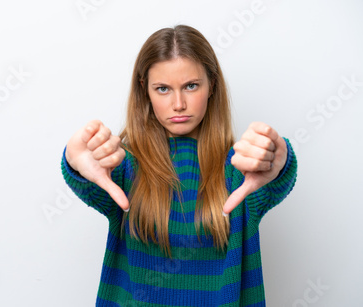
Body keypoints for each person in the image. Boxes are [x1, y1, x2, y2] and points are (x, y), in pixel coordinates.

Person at [61, 24, 297, 306]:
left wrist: (279, 159)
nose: (178, 104)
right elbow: (93, 180)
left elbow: (275, 177)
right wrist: (75, 163)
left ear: (212, 85)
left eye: (191, 86)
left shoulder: (241, 172)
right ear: (145, 91)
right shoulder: (124, 168)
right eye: (162, 89)